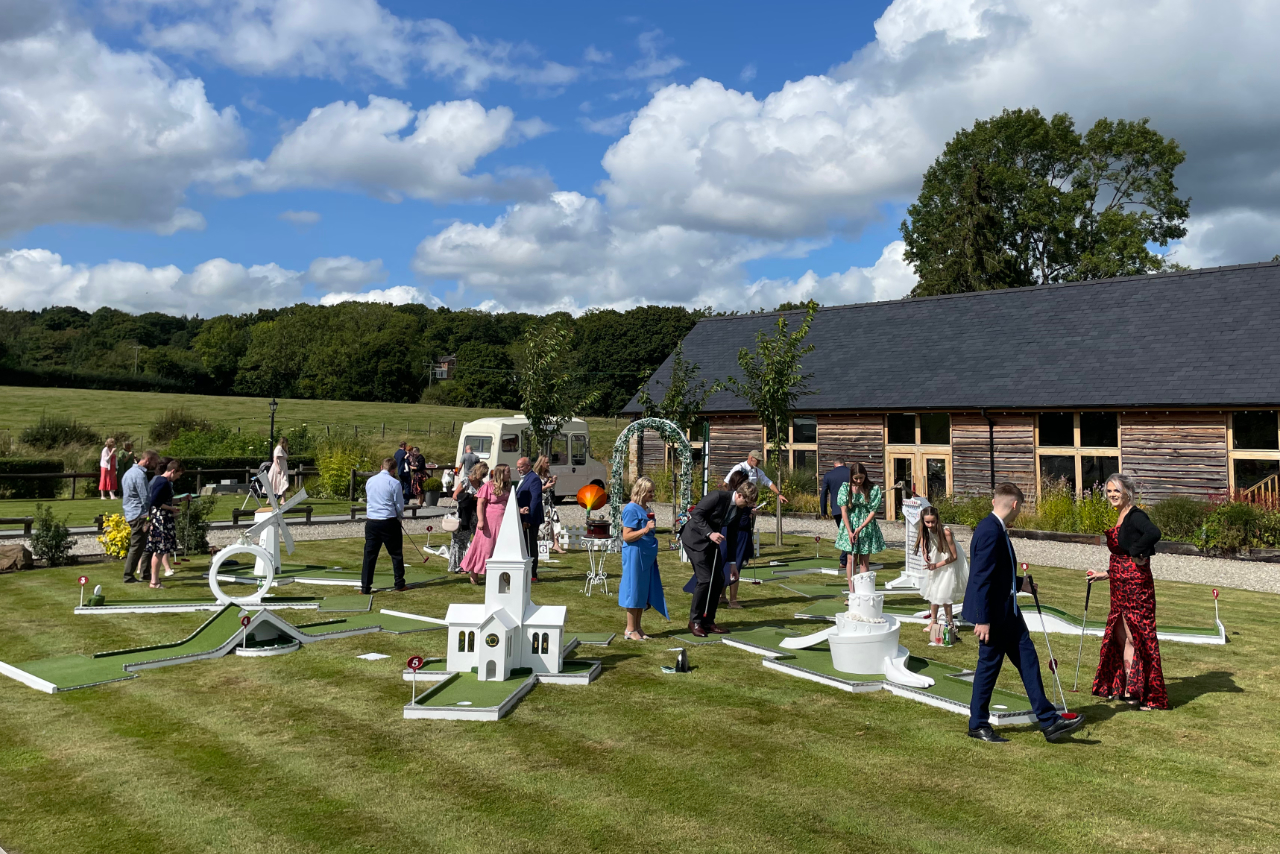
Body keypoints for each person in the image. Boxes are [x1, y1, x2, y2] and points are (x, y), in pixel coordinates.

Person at [964, 482, 1085, 743]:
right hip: (994, 616)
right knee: (988, 668)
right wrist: (982, 619)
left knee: (1028, 659)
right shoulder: (990, 531)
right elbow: (981, 578)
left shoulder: (996, 528)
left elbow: (998, 574)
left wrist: (1021, 584)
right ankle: (977, 725)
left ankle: (1049, 721)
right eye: (1020, 508)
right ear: (1015, 504)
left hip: (1009, 613)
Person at [1088, 472, 1169, 710]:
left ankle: (1150, 695)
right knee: (1120, 635)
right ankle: (1126, 688)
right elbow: (1120, 555)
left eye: (1117, 491)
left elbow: (1153, 533)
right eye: (1109, 491)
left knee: (1138, 636)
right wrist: (1105, 573)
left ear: (1128, 493)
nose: (1112, 495)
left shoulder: (1135, 515)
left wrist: (1137, 552)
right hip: (1119, 583)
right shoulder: (1121, 515)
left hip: (1136, 586)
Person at [680, 479, 758, 638]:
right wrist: (710, 533)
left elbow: (733, 534)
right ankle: (694, 622)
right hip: (694, 539)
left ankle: (708, 621)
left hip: (711, 542)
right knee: (705, 579)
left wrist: (732, 563)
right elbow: (696, 514)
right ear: (740, 495)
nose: (749, 506)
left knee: (718, 579)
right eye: (748, 502)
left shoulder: (740, 509)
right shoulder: (717, 496)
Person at [619, 476, 668, 640]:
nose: (652, 494)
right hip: (634, 553)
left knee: (642, 590)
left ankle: (638, 628)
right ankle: (630, 629)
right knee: (633, 589)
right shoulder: (631, 509)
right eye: (649, 492)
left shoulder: (646, 508)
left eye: (653, 491)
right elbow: (626, 536)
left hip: (646, 554)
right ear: (640, 491)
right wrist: (645, 530)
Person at [917, 505, 968, 646]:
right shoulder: (924, 528)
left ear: (938, 520)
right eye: (927, 522)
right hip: (936, 555)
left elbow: (954, 556)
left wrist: (936, 565)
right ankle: (933, 621)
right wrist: (924, 552)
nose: (930, 525)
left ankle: (950, 623)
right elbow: (923, 539)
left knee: (944, 591)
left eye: (933, 522)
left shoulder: (946, 532)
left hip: (948, 560)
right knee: (933, 588)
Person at [361, 457, 408, 595]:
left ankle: (365, 587)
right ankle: (399, 583)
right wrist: (400, 518)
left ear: (382, 467)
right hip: (388, 521)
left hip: (372, 521)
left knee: (369, 555)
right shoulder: (394, 483)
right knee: (396, 554)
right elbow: (399, 505)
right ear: (393, 470)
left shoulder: (370, 481)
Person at [834, 463, 885, 591]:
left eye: (861, 478)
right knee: (851, 559)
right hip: (849, 525)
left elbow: (873, 511)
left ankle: (863, 592)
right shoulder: (845, 489)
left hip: (866, 526)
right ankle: (852, 592)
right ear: (851, 476)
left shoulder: (873, 489)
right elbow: (844, 511)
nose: (858, 481)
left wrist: (861, 527)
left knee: (864, 560)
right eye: (855, 478)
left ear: (865, 475)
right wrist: (849, 530)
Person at [461, 463, 512, 583]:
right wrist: (481, 520)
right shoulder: (488, 486)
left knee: (500, 548)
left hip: (503, 521)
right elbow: (480, 503)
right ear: (500, 473)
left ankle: (497, 574)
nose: (509, 474)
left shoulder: (507, 486)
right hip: (489, 521)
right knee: (485, 548)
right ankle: (475, 572)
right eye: (507, 471)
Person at [144, 459, 183, 588]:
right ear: (173, 471)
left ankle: (154, 580)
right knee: (159, 550)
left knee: (160, 550)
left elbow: (164, 499)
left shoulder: (159, 480)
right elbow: (155, 501)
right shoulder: (163, 482)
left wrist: (180, 500)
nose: (178, 478)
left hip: (161, 518)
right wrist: (171, 509)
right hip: (161, 520)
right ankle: (154, 581)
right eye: (178, 475)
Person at [121, 449, 158, 583]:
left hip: (132, 513)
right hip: (139, 515)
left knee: (143, 544)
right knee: (137, 546)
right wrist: (149, 516)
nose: (155, 465)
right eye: (154, 461)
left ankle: (145, 573)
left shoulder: (129, 472)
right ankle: (128, 575)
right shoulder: (139, 475)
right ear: (148, 460)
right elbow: (145, 498)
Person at [719, 469, 754, 608]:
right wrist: (749, 513)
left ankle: (722, 595)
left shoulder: (729, 497)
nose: (747, 483)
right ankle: (733, 600)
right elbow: (742, 522)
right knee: (735, 565)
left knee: (724, 563)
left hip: (727, 532)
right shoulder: (740, 501)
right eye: (744, 481)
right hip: (739, 535)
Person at [449, 462, 485, 573]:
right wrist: (471, 497)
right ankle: (456, 566)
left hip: (476, 517)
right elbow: (455, 496)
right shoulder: (466, 481)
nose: (483, 476)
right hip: (464, 515)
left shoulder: (482, 484)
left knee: (477, 541)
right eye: (482, 474)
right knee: (459, 542)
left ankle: (472, 564)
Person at [515, 457, 543, 580]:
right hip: (522, 516)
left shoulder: (534, 479)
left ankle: (532, 574)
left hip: (530, 518)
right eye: (517, 467)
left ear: (528, 466)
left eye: (521, 467)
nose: (518, 469)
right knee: (524, 545)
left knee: (530, 545)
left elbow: (535, 500)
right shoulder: (524, 478)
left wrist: (528, 519)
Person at [821, 458, 851, 571]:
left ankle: (845, 559)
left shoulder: (829, 476)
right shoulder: (851, 473)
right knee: (849, 532)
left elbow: (823, 494)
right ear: (845, 464)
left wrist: (823, 511)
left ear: (834, 465)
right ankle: (846, 559)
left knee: (844, 532)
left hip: (837, 509)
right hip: (851, 508)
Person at [533, 456, 565, 554]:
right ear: (541, 463)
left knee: (556, 521)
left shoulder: (546, 474)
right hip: (541, 503)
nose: (548, 464)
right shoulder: (535, 476)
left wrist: (552, 482)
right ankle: (541, 545)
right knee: (545, 524)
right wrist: (546, 486)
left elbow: (549, 488)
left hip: (549, 501)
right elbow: (535, 490)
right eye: (546, 462)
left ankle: (556, 544)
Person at [268, 436, 290, 501]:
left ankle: (282, 499)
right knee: (278, 482)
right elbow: (275, 458)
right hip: (279, 468)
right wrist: (278, 468)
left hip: (283, 468)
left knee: (282, 482)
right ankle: (280, 499)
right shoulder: (279, 448)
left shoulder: (283, 449)